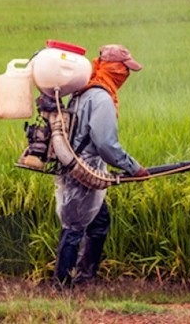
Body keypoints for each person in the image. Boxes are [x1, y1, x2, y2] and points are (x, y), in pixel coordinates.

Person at [53, 44, 149, 287]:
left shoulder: (83, 91)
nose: (126, 75)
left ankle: (86, 277)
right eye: (125, 70)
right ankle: (62, 285)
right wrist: (133, 168)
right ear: (115, 68)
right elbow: (106, 144)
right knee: (74, 227)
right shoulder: (101, 97)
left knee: (99, 221)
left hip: (79, 167)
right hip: (84, 171)